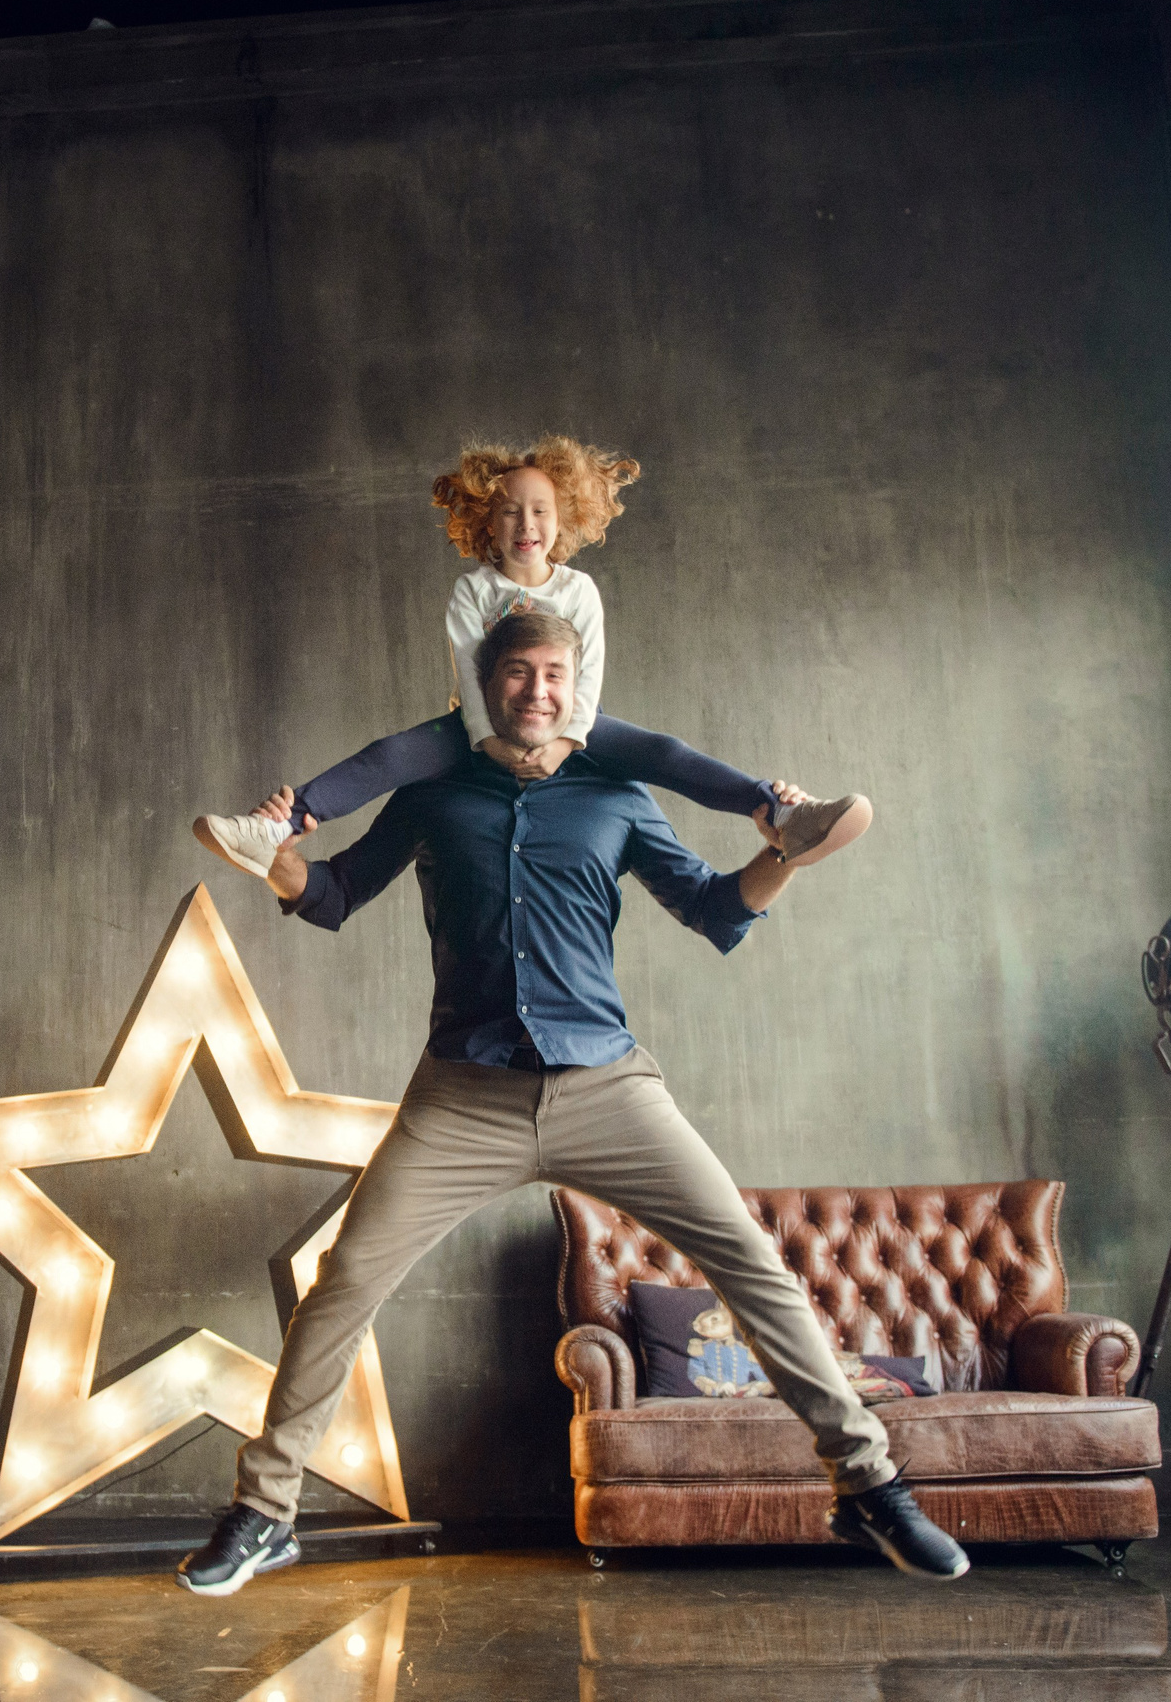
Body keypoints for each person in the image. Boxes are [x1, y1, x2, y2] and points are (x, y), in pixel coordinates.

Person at [176, 608, 968, 1596]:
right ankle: (264, 1510)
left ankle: (868, 1483)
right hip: (461, 1096)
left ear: (577, 685)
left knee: (752, 1263)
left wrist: (784, 857)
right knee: (342, 1284)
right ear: (484, 682)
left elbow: (715, 908)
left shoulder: (617, 795)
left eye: (555, 673)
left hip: (607, 1087)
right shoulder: (432, 791)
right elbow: (332, 893)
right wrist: (273, 858)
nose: (537, 690)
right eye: (518, 672)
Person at [191, 436, 871, 880]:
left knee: (664, 751)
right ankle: (276, 823)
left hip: (574, 723)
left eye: (541, 511)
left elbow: (591, 674)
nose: (526, 525)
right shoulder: (472, 591)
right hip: (477, 727)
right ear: (488, 521)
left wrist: (568, 740)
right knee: (388, 756)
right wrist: (487, 741)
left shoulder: (579, 590)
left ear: (564, 519)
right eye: (511, 512)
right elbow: (466, 671)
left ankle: (783, 815)